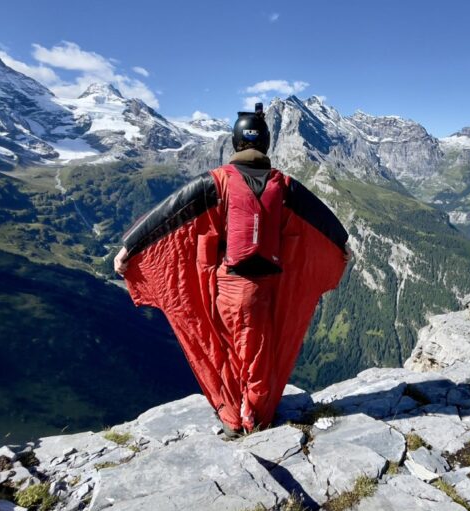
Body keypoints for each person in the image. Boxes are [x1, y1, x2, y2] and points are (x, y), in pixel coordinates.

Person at [114, 103, 348, 437]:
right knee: (258, 356)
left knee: (226, 352)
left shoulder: (217, 182)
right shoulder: (283, 184)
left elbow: (166, 216)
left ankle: (236, 420)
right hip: (264, 289)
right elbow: (324, 220)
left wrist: (129, 249)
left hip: (228, 289)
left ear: (236, 143)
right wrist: (343, 247)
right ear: (265, 143)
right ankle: (254, 417)